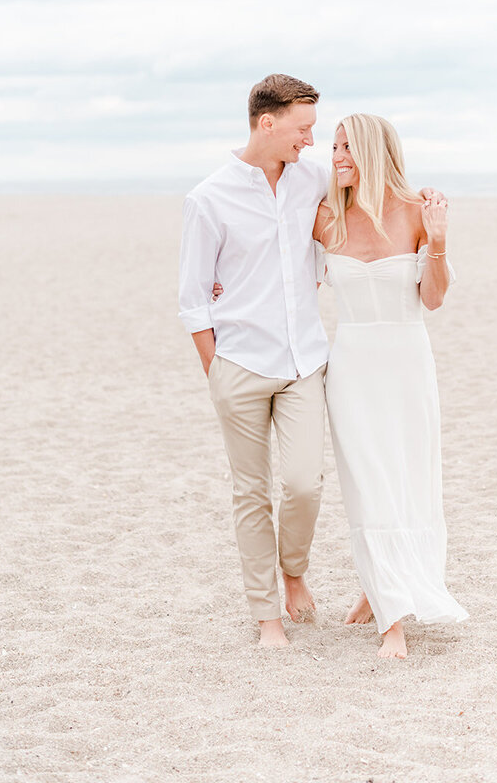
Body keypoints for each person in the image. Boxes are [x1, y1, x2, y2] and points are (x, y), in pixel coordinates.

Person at [178, 73, 329, 649]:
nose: (310, 141)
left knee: (303, 484)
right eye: (303, 128)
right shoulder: (208, 198)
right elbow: (193, 299)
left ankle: (294, 571)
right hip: (239, 365)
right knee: (250, 492)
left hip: (303, 363)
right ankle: (267, 614)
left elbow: (368, 187)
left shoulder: (312, 177)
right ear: (268, 123)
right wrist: (217, 373)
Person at [313, 113, 468, 659]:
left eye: (348, 148)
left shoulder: (417, 213)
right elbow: (286, 277)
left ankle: (378, 587)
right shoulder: (326, 217)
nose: (336, 157)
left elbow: (433, 298)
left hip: (407, 360)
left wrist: (441, 241)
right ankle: (392, 623)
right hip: (353, 364)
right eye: (334, 147)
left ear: (376, 152)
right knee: (367, 480)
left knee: (407, 476)